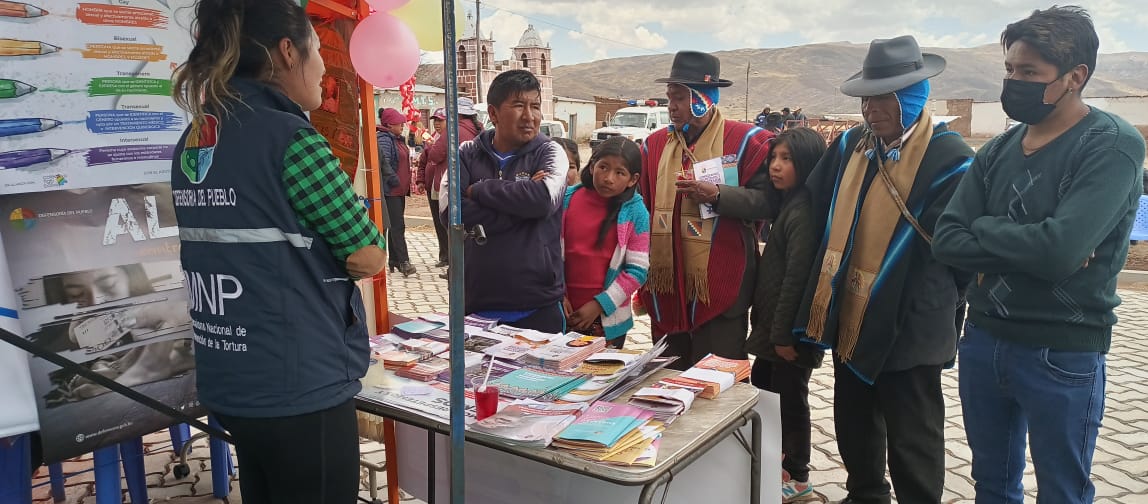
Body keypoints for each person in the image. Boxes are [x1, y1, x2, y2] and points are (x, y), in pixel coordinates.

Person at [169, 1, 387, 502]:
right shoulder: (292, 140)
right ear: (288, 52)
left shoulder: (197, 137)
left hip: (230, 375)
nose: (322, 71)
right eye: (316, 52)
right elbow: (368, 254)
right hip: (299, 384)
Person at [933, 7, 1146, 503]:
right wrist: (1033, 239)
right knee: (991, 485)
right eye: (1010, 70)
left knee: (1063, 490)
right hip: (984, 341)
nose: (1014, 82)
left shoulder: (1111, 145)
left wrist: (985, 230)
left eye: (1029, 73)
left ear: (1075, 77)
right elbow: (947, 239)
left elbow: (1058, 251)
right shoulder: (998, 149)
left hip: (1062, 348)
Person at [789, 36, 974, 504]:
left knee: (913, 432)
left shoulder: (950, 159)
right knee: (853, 416)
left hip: (912, 321)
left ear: (911, 96)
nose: (869, 108)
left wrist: (942, 301)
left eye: (881, 97)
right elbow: (818, 209)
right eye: (865, 97)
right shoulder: (852, 145)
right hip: (854, 310)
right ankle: (866, 494)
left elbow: (960, 252)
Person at [638, 50, 774, 369]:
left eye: (680, 98)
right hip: (669, 288)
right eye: (670, 96)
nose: (672, 106)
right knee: (668, 382)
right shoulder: (654, 146)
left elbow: (767, 203)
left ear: (702, 98)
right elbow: (642, 204)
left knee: (717, 384)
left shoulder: (745, 142)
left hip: (721, 286)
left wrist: (718, 196)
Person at [449, 69, 569, 333]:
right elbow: (452, 212)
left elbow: (541, 201)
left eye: (535, 106)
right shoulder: (464, 154)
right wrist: (522, 203)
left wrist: (480, 190)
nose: (529, 116)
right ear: (493, 114)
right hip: (476, 302)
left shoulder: (551, 152)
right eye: (518, 106)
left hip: (538, 306)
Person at [745, 127, 826, 502]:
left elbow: (796, 279)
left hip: (787, 338)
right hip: (774, 334)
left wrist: (782, 336)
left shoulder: (804, 211)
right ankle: (775, 465)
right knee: (768, 396)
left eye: (787, 159)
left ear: (808, 163)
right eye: (774, 158)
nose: (775, 167)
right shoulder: (791, 204)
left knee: (791, 401)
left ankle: (797, 477)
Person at [561, 136, 650, 349]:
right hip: (562, 312)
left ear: (633, 179)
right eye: (603, 167)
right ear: (592, 166)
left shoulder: (636, 212)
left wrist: (599, 305)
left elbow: (637, 271)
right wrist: (558, 294)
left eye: (620, 172)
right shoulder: (567, 199)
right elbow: (549, 252)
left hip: (607, 320)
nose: (608, 178)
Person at [420, 98, 482, 273]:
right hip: (474, 184)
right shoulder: (479, 130)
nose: (439, 124)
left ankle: (455, 267)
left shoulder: (453, 131)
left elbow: (435, 155)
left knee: (451, 224)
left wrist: (431, 147)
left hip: (453, 183)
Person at [378, 107, 416, 277]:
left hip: (399, 190)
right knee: (397, 226)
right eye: (399, 123)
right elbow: (384, 163)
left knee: (396, 225)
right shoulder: (385, 139)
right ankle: (404, 261)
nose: (403, 126)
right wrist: (393, 179)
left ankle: (394, 260)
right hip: (391, 190)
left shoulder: (398, 139)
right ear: (390, 124)